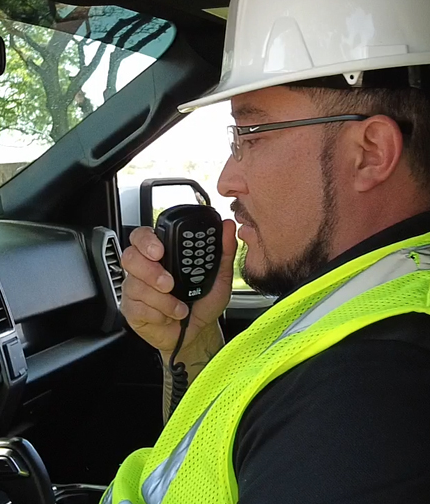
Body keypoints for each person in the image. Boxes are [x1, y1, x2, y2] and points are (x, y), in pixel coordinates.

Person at [103, 1, 430, 503]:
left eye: (250, 134)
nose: (227, 180)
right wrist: (192, 345)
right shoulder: (359, 302)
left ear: (370, 154)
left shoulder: (367, 385)